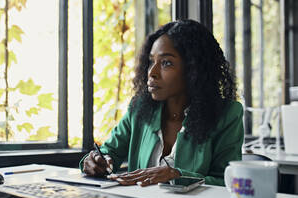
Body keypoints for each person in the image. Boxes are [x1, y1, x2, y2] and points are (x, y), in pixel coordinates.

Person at [80, 19, 244, 186]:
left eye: (166, 63)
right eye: (151, 61)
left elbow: (227, 182)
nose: (152, 72)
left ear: (194, 70)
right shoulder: (139, 110)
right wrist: (95, 161)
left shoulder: (228, 114)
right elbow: (109, 152)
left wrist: (176, 175)